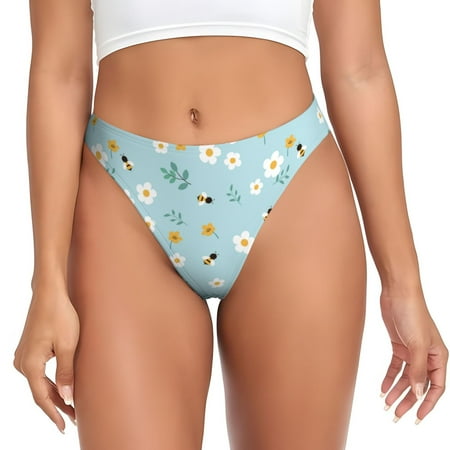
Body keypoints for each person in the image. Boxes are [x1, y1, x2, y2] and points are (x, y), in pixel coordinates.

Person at [12, 0, 448, 448]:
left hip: (292, 190)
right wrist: (47, 282)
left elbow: (360, 69)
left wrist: (404, 284)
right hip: (122, 201)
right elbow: (59, 71)